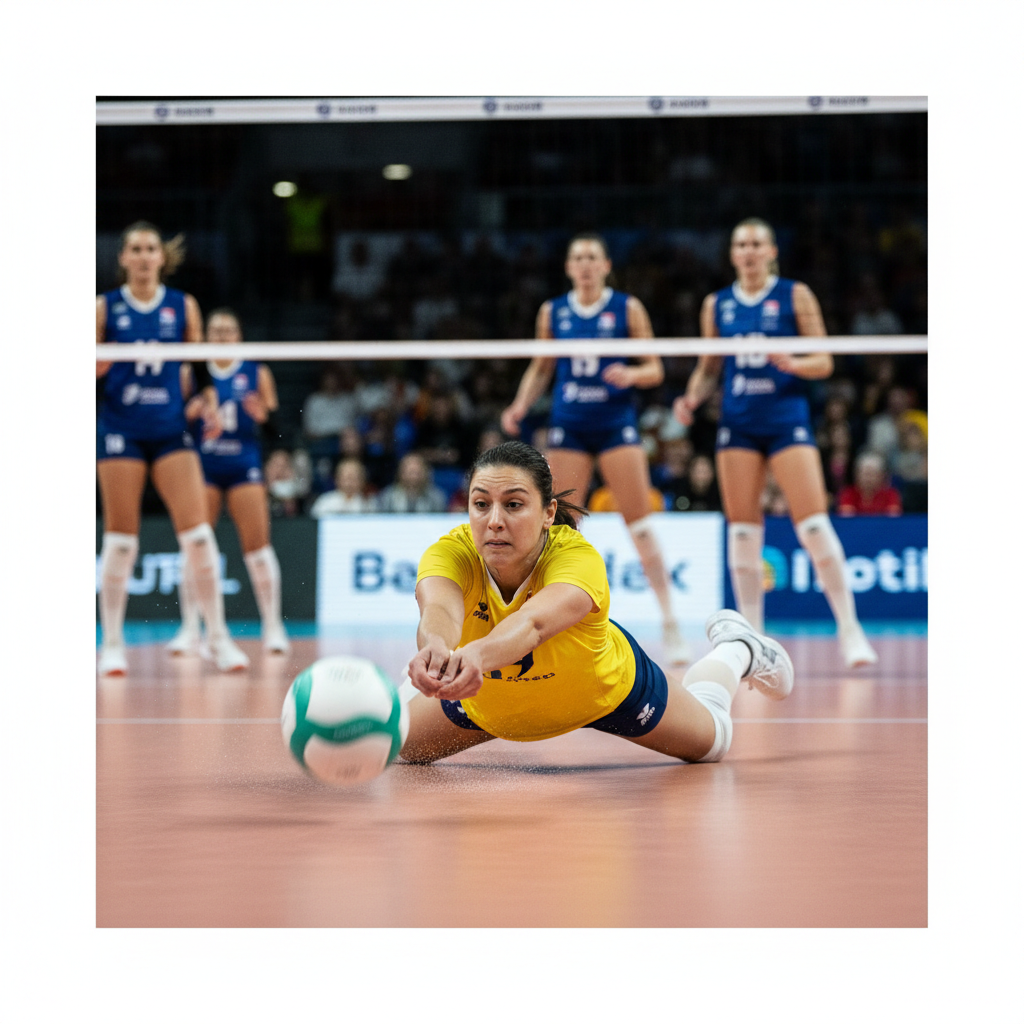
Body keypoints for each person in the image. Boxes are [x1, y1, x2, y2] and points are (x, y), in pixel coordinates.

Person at [400, 441, 793, 766]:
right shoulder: (451, 552)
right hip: (488, 700)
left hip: (605, 691)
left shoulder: (576, 558)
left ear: (548, 513)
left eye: (514, 505)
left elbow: (532, 625)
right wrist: (435, 649)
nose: (495, 521)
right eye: (481, 504)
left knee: (714, 742)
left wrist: (472, 659)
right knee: (403, 750)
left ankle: (738, 649)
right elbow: (440, 610)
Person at [673, 217, 877, 668]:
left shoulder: (794, 295)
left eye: (756, 243)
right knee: (743, 531)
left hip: (786, 421)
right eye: (740, 244)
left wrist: (795, 362)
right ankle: (751, 638)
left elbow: (824, 360)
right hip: (738, 424)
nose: (747, 250)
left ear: (771, 252)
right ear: (732, 254)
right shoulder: (718, 305)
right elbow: (710, 366)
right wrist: (691, 398)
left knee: (814, 526)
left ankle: (849, 628)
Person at [500, 234, 689, 665]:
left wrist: (632, 374)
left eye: (592, 258)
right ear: (569, 267)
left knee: (639, 525)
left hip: (615, 424)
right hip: (570, 424)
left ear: (606, 265)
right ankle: (553, 624)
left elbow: (655, 368)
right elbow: (542, 367)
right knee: (562, 529)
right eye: (577, 258)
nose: (584, 265)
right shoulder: (554, 311)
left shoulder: (627, 307)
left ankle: (671, 623)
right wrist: (519, 406)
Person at [96, 222, 248, 675]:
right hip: (120, 428)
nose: (143, 257)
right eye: (135, 250)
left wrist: (209, 401)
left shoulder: (183, 306)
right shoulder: (104, 308)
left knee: (198, 536)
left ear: (162, 258)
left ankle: (218, 639)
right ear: (122, 257)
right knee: (121, 541)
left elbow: (200, 366)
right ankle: (113, 645)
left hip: (168, 428)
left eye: (151, 250)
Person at [169, 309, 290, 656]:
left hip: (243, 463)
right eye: (216, 330)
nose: (222, 336)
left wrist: (263, 417)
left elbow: (277, 426)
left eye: (229, 330)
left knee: (257, 548)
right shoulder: (192, 369)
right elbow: (172, 419)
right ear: (205, 335)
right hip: (203, 464)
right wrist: (190, 413)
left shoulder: (256, 370)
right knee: (193, 546)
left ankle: (272, 626)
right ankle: (190, 628)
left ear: (239, 335)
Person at [836, 451, 903, 516]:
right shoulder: (847, 494)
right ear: (857, 474)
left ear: (881, 476)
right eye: (865, 474)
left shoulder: (891, 495)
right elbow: (847, 520)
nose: (868, 478)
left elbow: (893, 520)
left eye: (872, 474)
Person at [377, 452, 447, 513]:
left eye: (417, 472)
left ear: (426, 473)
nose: (414, 477)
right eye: (410, 472)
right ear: (400, 473)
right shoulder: (388, 497)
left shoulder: (436, 498)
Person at [309, 458, 379, 516]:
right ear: (337, 479)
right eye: (346, 478)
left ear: (362, 480)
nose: (349, 483)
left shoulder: (369, 504)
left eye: (353, 478)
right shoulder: (325, 501)